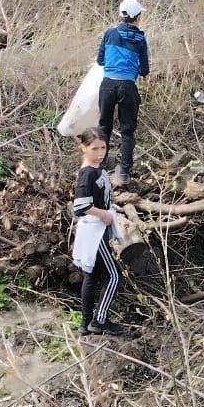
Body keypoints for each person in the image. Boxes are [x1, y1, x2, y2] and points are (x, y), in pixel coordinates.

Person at [72, 128, 127, 337]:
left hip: (94, 229)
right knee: (114, 275)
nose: (100, 152)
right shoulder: (87, 172)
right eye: (94, 148)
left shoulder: (95, 168)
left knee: (91, 276)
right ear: (84, 148)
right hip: (95, 231)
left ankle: (85, 324)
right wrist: (103, 214)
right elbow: (80, 205)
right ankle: (100, 320)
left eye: (103, 147)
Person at [97, 0, 149, 187]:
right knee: (127, 130)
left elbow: (100, 60)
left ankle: (100, 166)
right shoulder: (140, 38)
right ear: (137, 17)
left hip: (107, 84)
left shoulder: (109, 33)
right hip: (127, 86)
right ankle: (124, 172)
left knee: (104, 127)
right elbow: (144, 70)